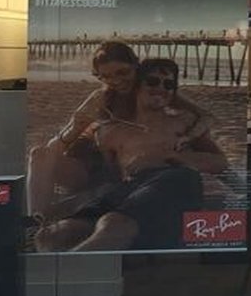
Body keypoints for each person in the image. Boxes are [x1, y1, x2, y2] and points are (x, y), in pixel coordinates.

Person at [36, 58, 230, 252]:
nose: (161, 88)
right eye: (153, 82)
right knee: (55, 234)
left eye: (169, 84)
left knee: (114, 224)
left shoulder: (184, 122)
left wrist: (174, 157)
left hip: (174, 179)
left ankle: (60, 276)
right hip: (130, 187)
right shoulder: (112, 131)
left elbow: (221, 162)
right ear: (137, 84)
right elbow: (104, 173)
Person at [26, 40, 212, 221]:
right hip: (88, 166)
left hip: (124, 174)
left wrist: (190, 136)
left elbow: (206, 116)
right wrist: (75, 127)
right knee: (39, 154)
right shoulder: (101, 98)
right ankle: (36, 219)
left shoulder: (153, 88)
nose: (116, 81)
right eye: (106, 76)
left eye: (123, 72)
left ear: (136, 66)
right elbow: (54, 149)